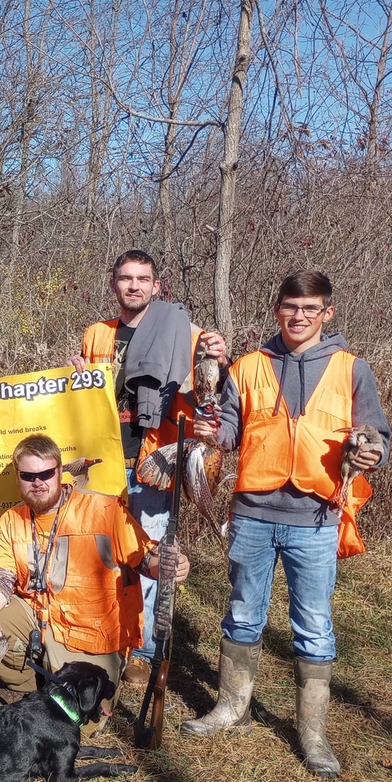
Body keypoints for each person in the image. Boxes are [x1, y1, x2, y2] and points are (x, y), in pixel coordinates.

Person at [180, 271, 390, 778]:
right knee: (242, 615)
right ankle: (232, 708)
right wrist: (212, 430)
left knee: (313, 627)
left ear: (327, 313)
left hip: (315, 519)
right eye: (290, 307)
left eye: (310, 308)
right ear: (278, 309)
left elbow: (378, 435)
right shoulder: (250, 366)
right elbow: (230, 428)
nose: (299, 316)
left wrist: (371, 450)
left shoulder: (351, 368)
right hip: (252, 514)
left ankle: (312, 733)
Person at [69, 249, 228, 686]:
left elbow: (211, 392)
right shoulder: (96, 335)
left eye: (143, 279)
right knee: (100, 555)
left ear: (157, 287)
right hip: (100, 464)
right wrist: (73, 379)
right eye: (125, 278)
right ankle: (101, 637)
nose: (134, 285)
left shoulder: (185, 332)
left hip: (151, 463)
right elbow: (85, 399)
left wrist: (221, 358)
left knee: (150, 558)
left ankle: (143, 651)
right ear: (114, 284)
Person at [0, 434, 189, 730]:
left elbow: (145, 558)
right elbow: (0, 575)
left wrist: (165, 565)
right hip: (39, 620)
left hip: (91, 634)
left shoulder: (104, 510)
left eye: (46, 473)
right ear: (19, 477)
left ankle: (61, 685)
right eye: (29, 475)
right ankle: (32, 685)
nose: (38, 482)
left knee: (80, 724)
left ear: (60, 472)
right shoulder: (11, 521)